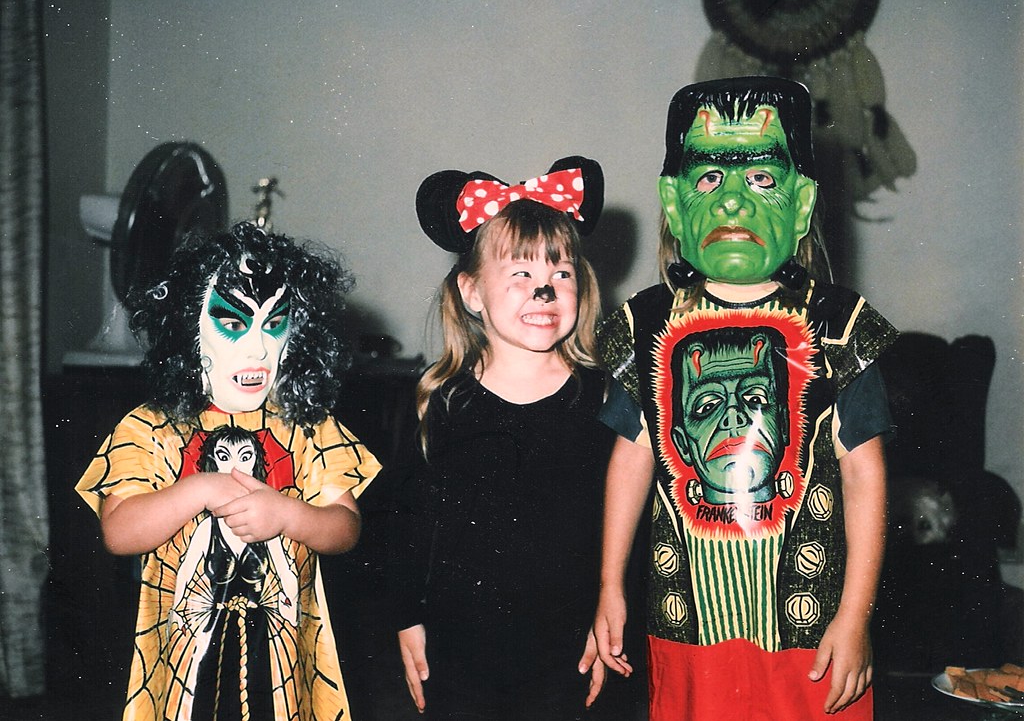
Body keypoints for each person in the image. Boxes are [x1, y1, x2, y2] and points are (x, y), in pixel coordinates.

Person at [587, 76, 897, 720]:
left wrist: (855, 616)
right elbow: (630, 460)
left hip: (814, 636)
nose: (732, 200)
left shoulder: (839, 326)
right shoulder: (644, 325)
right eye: (708, 179)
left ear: (802, 202)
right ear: (673, 204)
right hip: (686, 630)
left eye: (760, 178)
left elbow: (864, 476)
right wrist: (610, 583)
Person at [76, 220, 381, 721]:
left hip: (283, 659)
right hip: (183, 657)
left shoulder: (310, 426)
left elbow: (345, 528)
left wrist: (288, 515)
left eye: (274, 323)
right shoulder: (149, 426)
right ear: (187, 329)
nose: (258, 348)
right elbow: (118, 532)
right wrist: (200, 489)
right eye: (234, 324)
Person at [388, 157, 635, 720]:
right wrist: (407, 617)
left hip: (569, 652)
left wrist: (608, 620)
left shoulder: (603, 400)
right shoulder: (441, 401)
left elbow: (623, 525)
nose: (544, 289)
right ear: (472, 291)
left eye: (561, 273)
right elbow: (406, 523)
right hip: (458, 653)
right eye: (520, 273)